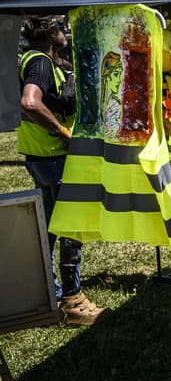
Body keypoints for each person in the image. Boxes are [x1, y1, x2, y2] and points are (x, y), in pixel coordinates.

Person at [18, 17, 108, 326]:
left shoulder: (32, 59)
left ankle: (45, 295)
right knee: (70, 228)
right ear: (51, 32)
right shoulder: (41, 62)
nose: (64, 31)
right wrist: (61, 131)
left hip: (40, 157)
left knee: (47, 230)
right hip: (54, 157)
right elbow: (30, 103)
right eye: (60, 26)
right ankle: (71, 301)